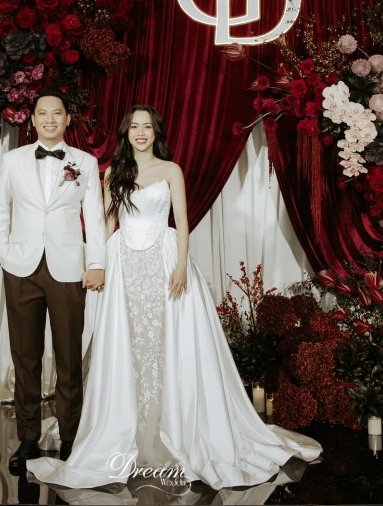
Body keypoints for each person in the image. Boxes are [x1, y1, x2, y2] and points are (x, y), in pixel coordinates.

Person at [27, 105, 321, 489]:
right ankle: (128, 426)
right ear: (126, 133)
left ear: (156, 133)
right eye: (134, 127)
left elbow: (181, 224)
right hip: (125, 263)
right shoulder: (114, 173)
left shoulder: (171, 170)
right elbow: (107, 224)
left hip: (164, 260)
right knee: (131, 342)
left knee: (168, 341)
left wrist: (181, 266)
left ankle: (175, 426)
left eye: (147, 127)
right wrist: (99, 264)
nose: (141, 133)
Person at [0, 88, 107, 475]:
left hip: (69, 268)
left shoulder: (85, 162)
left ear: (67, 119)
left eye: (57, 113)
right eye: (43, 113)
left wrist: (97, 263)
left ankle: (71, 437)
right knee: (25, 357)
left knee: (69, 357)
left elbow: (95, 216)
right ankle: (27, 437)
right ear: (33, 119)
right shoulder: (12, 160)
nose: (50, 119)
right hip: (21, 268)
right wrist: (5, 254)